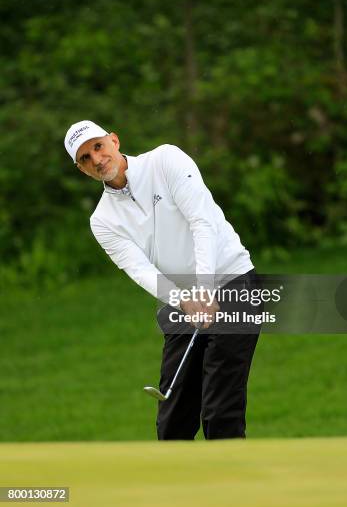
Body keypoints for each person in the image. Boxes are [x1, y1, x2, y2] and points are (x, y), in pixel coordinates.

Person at [64, 120, 261, 440]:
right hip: (183, 301)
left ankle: (230, 488)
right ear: (81, 168)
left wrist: (204, 287)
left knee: (220, 411)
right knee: (172, 423)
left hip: (232, 281)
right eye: (85, 158)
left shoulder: (166, 160)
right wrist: (185, 300)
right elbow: (140, 270)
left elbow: (202, 222)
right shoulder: (102, 220)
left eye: (98, 147)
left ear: (114, 140)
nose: (97, 160)